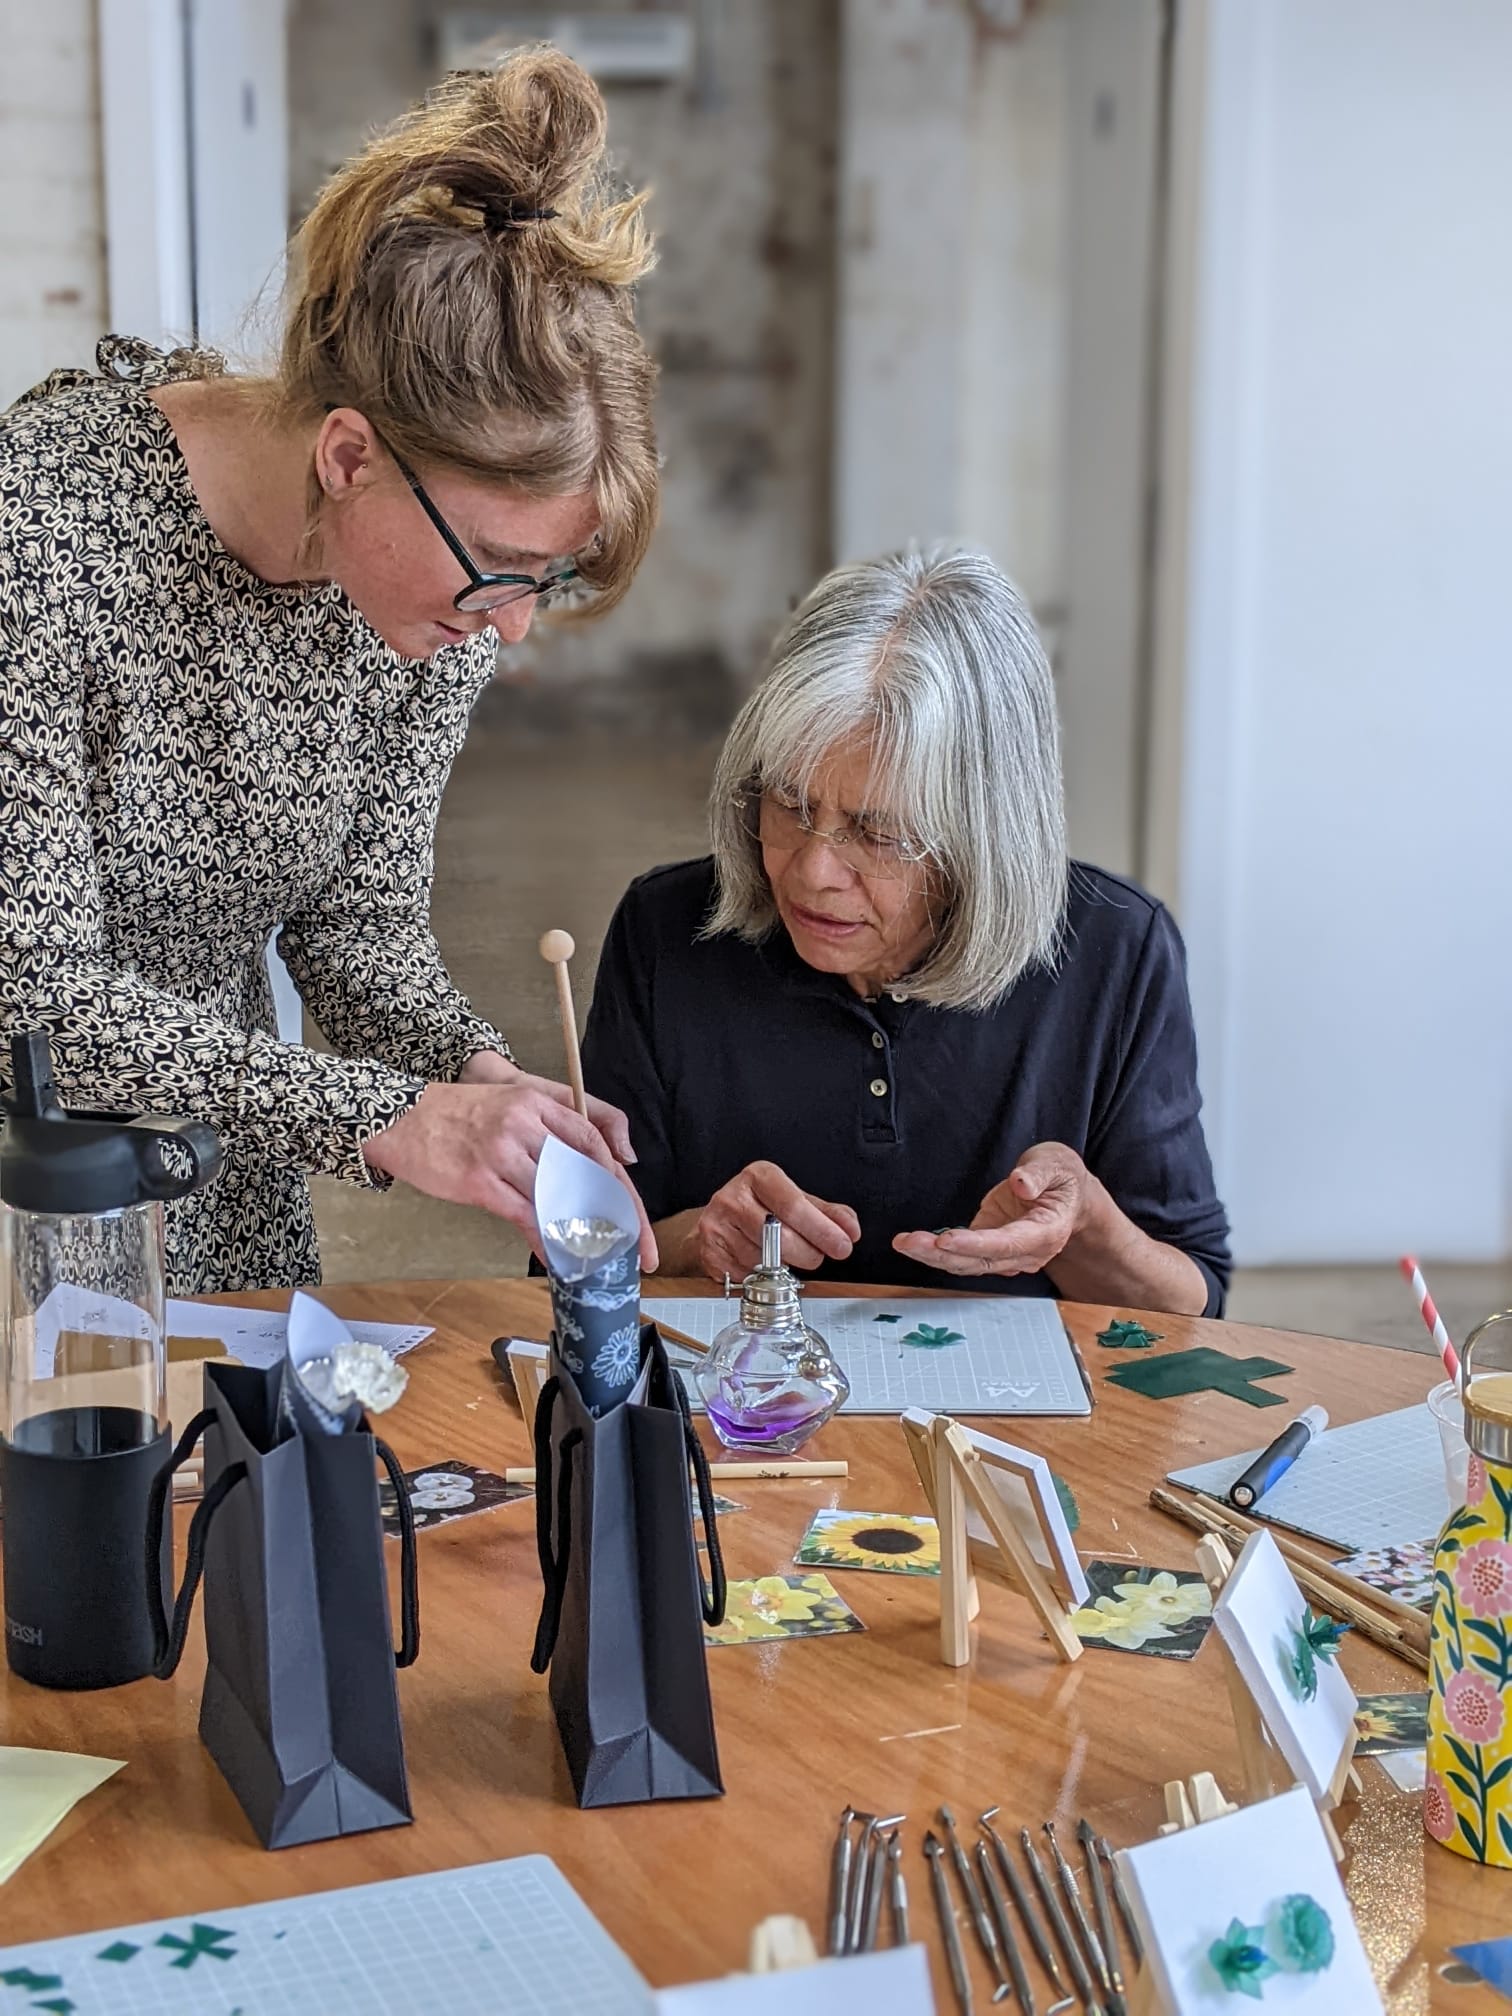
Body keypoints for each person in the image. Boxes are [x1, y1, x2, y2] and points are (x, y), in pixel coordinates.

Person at [0, 48, 659, 1293]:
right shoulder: (42, 523)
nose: (513, 628)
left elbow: (356, 930)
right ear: (350, 456)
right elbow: (35, 996)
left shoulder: (422, 604)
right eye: (503, 569)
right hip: (29, 1187)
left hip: (219, 1177)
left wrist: (479, 1087)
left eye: (547, 581)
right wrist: (379, 1117)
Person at [582, 548, 1232, 1315]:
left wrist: (1084, 1223)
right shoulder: (667, 933)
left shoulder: (1116, 951)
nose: (811, 871)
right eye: (787, 803)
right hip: (744, 1413)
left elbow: (1192, 1307)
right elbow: (568, 1265)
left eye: (877, 833)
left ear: (985, 835)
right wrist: (699, 1244)